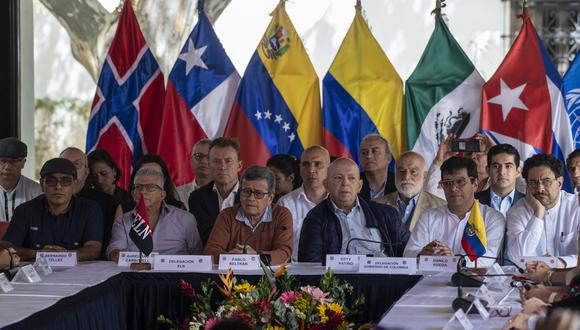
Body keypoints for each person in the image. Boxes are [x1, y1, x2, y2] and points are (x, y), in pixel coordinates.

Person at [298, 158, 409, 262]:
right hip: (339, 280)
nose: (345, 183)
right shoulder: (315, 218)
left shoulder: (386, 214)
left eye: (351, 178)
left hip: (384, 278)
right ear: (326, 185)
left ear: (359, 186)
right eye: (338, 178)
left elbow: (409, 251)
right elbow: (310, 264)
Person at [403, 157, 505, 267]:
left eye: (460, 182)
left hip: (475, 282)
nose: (453, 188)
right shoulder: (429, 217)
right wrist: (421, 254)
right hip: (431, 281)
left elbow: (488, 258)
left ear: (475, 184)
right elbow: (408, 253)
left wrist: (453, 260)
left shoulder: (493, 218)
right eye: (447, 183)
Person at [2, 158, 103, 261]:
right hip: (37, 273)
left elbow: (93, 248)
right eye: (51, 181)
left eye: (65, 181)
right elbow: (8, 247)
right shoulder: (24, 211)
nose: (58, 187)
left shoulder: (90, 209)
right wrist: (39, 254)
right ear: (41, 184)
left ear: (74, 184)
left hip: (80, 273)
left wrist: (64, 256)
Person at [107, 167, 202, 261]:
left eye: (150, 187)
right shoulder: (123, 221)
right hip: (136, 273)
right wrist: (116, 254)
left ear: (162, 195)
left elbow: (197, 255)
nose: (143, 192)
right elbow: (115, 249)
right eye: (138, 187)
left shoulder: (185, 219)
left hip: (175, 274)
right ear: (133, 194)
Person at [203, 166, 292, 265]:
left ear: (270, 198)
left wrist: (254, 257)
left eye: (258, 193)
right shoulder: (227, 215)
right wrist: (234, 258)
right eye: (246, 191)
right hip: (233, 277)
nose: (251, 198)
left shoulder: (281, 215)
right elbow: (210, 252)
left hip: (270, 277)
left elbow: (285, 254)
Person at [507, 154, 580, 268]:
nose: (540, 188)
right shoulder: (517, 211)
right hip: (529, 280)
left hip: (570, 279)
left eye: (546, 182)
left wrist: (559, 263)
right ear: (527, 185)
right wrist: (538, 214)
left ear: (559, 183)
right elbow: (516, 256)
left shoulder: (576, 207)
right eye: (533, 183)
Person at [60, 147, 118, 259]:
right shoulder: (44, 200)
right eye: (65, 164)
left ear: (86, 172)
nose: (70, 169)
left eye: (76, 164)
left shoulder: (106, 203)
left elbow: (109, 245)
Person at [278, 145, 330, 261]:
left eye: (318, 164)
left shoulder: (339, 201)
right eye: (305, 164)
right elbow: (280, 246)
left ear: (329, 168)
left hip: (334, 271)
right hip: (295, 271)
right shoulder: (285, 203)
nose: (311, 170)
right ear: (300, 168)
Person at [189, 138, 242, 245]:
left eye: (228, 161)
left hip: (246, 258)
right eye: (216, 161)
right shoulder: (197, 198)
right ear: (209, 165)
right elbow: (206, 237)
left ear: (239, 166)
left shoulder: (253, 195)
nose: (222, 167)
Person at [374, 151, 445, 231]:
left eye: (413, 172)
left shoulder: (441, 207)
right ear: (395, 175)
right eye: (401, 171)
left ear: (424, 177)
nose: (406, 177)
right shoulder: (376, 205)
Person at [117, 154, 185, 217]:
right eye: (143, 172)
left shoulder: (179, 208)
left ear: (164, 178)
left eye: (155, 173)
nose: (148, 177)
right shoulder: (123, 209)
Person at [0, 137, 42, 222]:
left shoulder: (36, 192)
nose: (7, 167)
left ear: (23, 163)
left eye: (13, 161)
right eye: (2, 161)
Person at [358, 134, 397, 200]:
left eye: (375, 151)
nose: (369, 156)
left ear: (388, 158)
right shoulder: (353, 183)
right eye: (364, 153)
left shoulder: (399, 183)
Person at [176, 139, 213, 207]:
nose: (204, 161)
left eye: (209, 157)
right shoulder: (177, 194)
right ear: (191, 160)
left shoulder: (225, 193)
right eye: (199, 156)